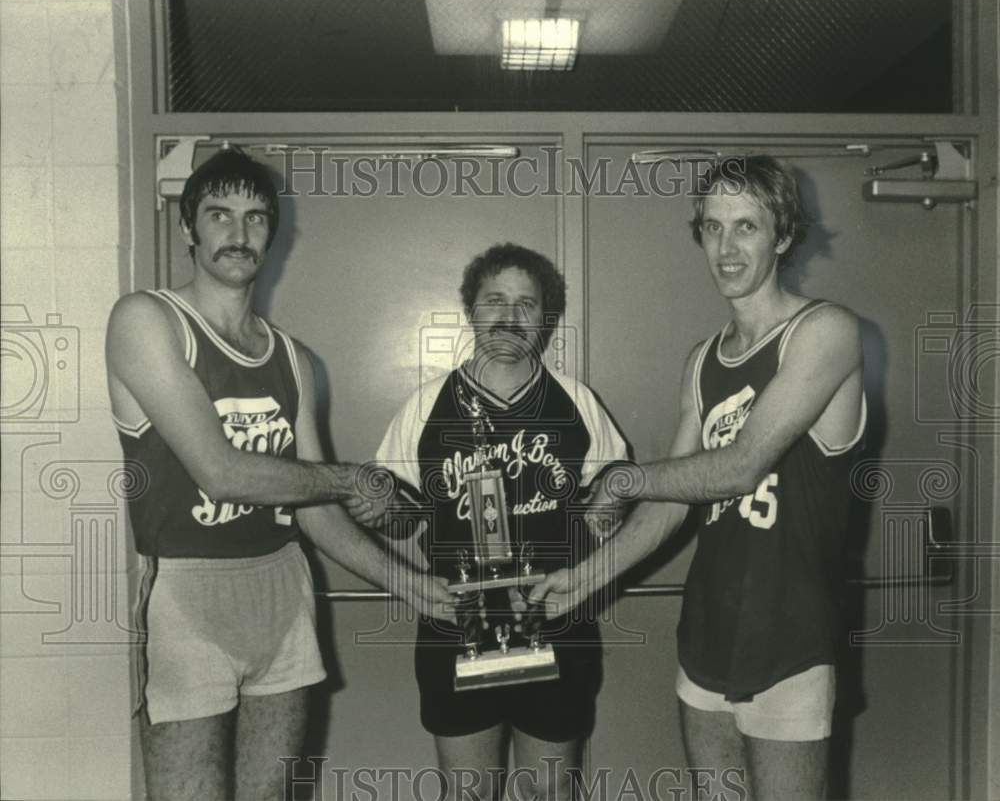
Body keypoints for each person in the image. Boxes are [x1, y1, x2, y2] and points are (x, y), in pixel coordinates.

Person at [106, 147, 454, 801]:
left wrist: (415, 587)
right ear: (189, 228)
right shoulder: (146, 321)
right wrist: (352, 481)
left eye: (256, 219)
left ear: (274, 233)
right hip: (186, 591)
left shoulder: (291, 357)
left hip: (281, 588)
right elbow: (221, 472)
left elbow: (316, 511)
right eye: (219, 216)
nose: (238, 235)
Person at [530, 156, 866, 800]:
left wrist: (624, 481)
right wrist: (584, 579)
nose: (727, 247)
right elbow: (676, 499)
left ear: (785, 235)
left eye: (746, 226)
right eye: (712, 228)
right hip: (708, 633)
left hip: (791, 640)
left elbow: (738, 468)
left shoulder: (826, 332)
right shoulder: (702, 361)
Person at [370, 243, 628, 800]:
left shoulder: (576, 403)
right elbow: (399, 521)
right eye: (495, 301)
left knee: (549, 793)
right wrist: (372, 505)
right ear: (471, 310)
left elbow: (612, 513)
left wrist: (611, 510)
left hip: (556, 625)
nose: (509, 318)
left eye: (526, 304)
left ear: (545, 318)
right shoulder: (425, 406)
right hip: (456, 628)